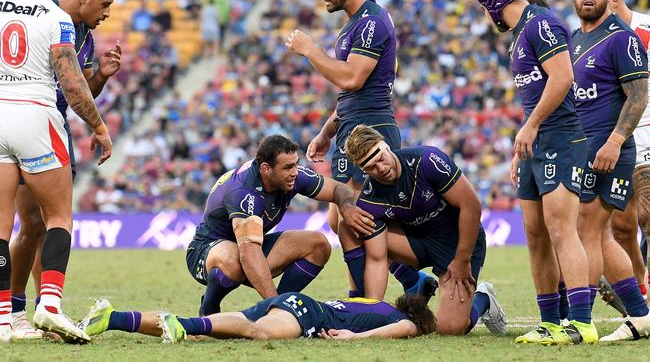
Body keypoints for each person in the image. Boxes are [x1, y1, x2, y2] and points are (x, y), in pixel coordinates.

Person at [285, 0, 434, 298]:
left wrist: (310, 51)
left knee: (352, 219)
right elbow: (350, 92)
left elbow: (353, 78)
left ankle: (363, 300)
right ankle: (412, 280)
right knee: (338, 217)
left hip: (370, 128)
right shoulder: (355, 24)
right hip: (350, 125)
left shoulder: (371, 22)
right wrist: (327, 132)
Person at [477, 0, 596, 345]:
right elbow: (535, 95)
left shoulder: (540, 23)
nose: (487, 17)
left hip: (560, 137)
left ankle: (581, 323)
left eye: (485, 9)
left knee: (562, 230)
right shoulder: (519, 34)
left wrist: (530, 127)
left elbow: (563, 77)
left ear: (495, 3)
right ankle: (550, 322)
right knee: (536, 235)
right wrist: (522, 146)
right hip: (535, 144)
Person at [0, 0, 112, 343]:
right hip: (37, 116)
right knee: (59, 217)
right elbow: (72, 84)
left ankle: (3, 320)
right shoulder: (55, 16)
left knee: (2, 227)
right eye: (105, 3)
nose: (107, 12)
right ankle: (48, 302)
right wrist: (100, 128)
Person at [338, 125, 507, 336]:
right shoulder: (370, 199)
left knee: (450, 329)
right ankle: (411, 282)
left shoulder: (427, 160)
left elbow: (471, 206)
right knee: (350, 227)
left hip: (456, 243)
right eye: (370, 167)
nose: (380, 168)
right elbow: (376, 259)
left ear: (386, 145)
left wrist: (462, 259)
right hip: (415, 243)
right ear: (362, 170)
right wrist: (374, 311)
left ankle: (483, 298)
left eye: (380, 157)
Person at [187, 135, 376, 317]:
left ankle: (276, 309)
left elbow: (339, 188)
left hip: (249, 247)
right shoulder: (244, 192)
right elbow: (249, 254)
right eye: (287, 167)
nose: (295, 172)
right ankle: (209, 308)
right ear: (266, 169)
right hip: (205, 252)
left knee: (318, 244)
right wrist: (274, 304)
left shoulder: (293, 176)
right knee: (234, 258)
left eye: (296, 164)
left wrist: (347, 207)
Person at [571, 0, 650, 342]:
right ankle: (640, 311)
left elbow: (638, 94)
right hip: (585, 149)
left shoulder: (623, 36)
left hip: (617, 145)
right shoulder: (575, 39)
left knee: (589, 229)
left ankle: (580, 320)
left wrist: (617, 140)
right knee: (607, 232)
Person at [77, 292, 435, 341]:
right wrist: (356, 339)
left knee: (207, 333)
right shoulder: (396, 317)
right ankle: (182, 327)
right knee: (257, 333)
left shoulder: (375, 303)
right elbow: (406, 327)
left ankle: (114, 318)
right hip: (305, 312)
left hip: (295, 301)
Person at [606, 0, 650, 303]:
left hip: (648, 130)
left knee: (649, 215)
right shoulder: (592, 35)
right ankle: (640, 287)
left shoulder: (645, 28)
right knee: (621, 227)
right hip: (613, 138)